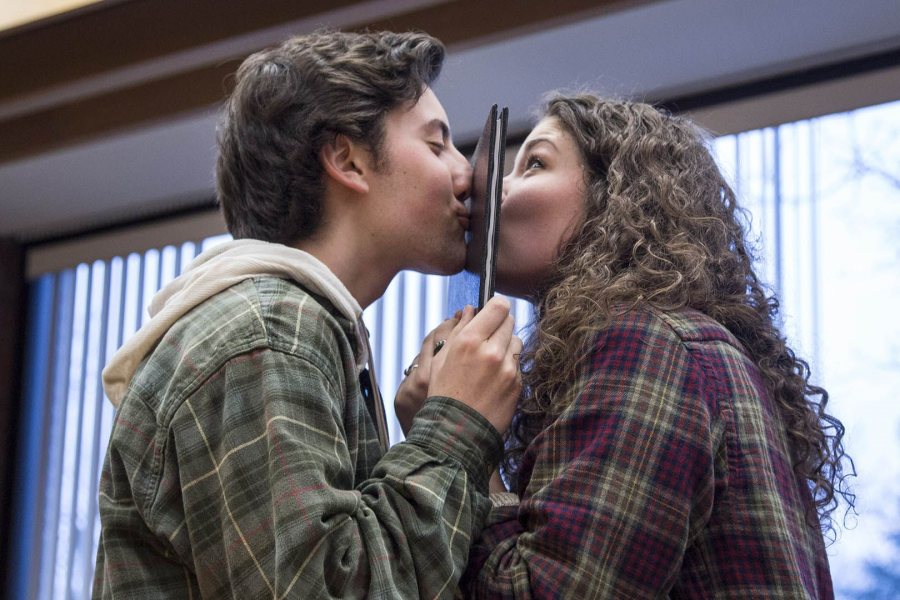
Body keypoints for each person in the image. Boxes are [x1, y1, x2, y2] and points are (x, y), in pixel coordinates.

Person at [93, 30, 522, 599]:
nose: (466, 175)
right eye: (437, 143)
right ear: (348, 159)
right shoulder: (269, 333)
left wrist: (435, 432)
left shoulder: (288, 328)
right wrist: (454, 430)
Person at [460, 94, 855, 598]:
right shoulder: (674, 342)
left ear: (617, 196)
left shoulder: (646, 342)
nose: (496, 192)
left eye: (534, 164)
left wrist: (466, 445)